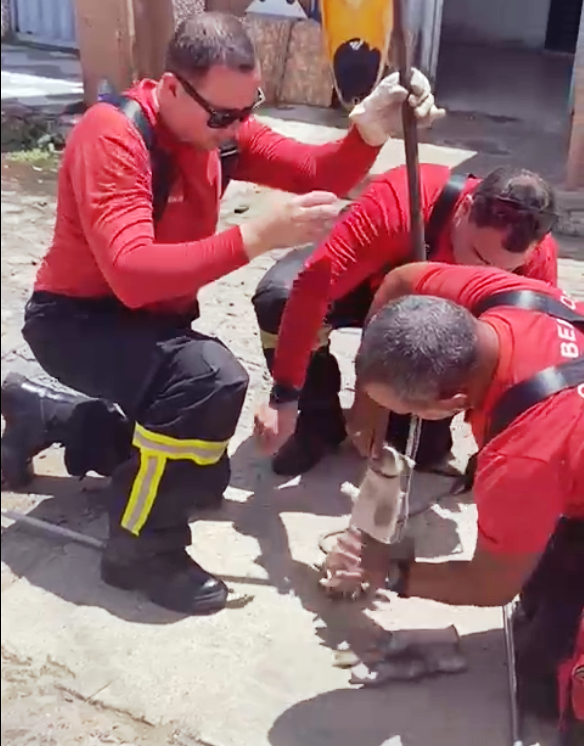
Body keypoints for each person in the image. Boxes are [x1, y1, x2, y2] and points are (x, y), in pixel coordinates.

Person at [0, 12, 442, 616]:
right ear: (173, 88)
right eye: (223, 115)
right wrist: (254, 237)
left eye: (248, 106)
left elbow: (319, 172)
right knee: (209, 380)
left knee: (199, 476)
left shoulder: (219, 130)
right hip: (78, 321)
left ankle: (51, 417)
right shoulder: (116, 137)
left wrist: (366, 131)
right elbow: (130, 275)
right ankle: (140, 551)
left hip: (150, 320)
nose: (237, 125)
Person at [328, 261, 583, 727]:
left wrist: (389, 572)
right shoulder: (505, 296)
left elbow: (490, 585)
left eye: (401, 410)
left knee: (547, 687)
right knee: (537, 588)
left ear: (451, 404)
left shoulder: (522, 458)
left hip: (561, 449)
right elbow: (401, 279)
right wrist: (368, 405)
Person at [252, 164, 559, 476]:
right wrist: (286, 397)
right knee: (281, 300)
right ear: (464, 210)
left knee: (419, 450)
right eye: (479, 258)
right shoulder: (398, 203)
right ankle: (318, 420)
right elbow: (310, 293)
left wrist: (497, 442)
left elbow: (526, 359)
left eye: (503, 272)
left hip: (439, 323)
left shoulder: (539, 260)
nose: (483, 277)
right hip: (368, 284)